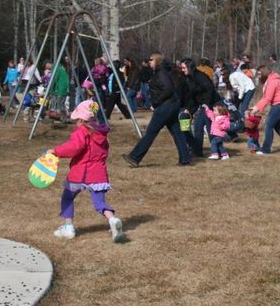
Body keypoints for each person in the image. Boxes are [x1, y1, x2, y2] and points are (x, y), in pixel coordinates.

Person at [47, 100, 125, 242]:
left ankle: (68, 227)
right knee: (99, 202)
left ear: (82, 119)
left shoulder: (81, 132)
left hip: (80, 173)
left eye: (77, 120)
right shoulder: (101, 134)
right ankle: (112, 219)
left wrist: (56, 151)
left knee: (67, 197)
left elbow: (73, 147)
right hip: (98, 174)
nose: (76, 122)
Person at [122, 52, 192, 167]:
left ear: (157, 61)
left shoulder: (161, 73)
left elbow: (168, 89)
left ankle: (134, 157)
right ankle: (185, 159)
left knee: (150, 133)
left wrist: (155, 102)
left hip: (165, 107)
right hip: (171, 106)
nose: (149, 61)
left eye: (151, 60)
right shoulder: (158, 72)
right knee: (177, 133)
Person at [177, 58, 220, 158]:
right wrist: (190, 110)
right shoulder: (189, 78)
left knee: (211, 129)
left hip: (211, 104)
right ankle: (198, 151)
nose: (182, 70)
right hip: (202, 105)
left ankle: (217, 150)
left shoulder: (200, 76)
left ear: (189, 67)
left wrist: (207, 104)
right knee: (198, 127)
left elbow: (210, 89)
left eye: (184, 68)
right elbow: (194, 97)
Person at [251, 65, 280, 154]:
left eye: (259, 74)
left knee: (269, 125)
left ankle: (266, 149)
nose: (258, 76)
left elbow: (267, 99)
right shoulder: (270, 80)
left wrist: (256, 108)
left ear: (264, 73)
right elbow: (266, 97)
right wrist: (256, 107)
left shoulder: (272, 82)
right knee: (278, 127)